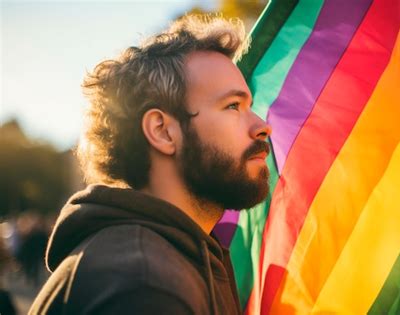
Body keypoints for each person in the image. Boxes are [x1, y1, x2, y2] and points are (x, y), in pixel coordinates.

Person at [29, 14, 271, 315]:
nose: (262, 126)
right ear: (162, 131)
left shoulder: (178, 261)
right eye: (233, 106)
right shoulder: (143, 287)